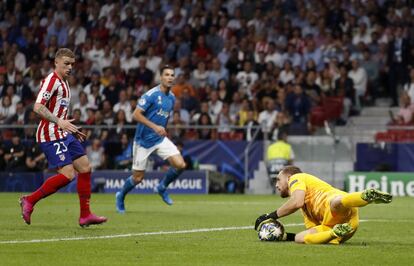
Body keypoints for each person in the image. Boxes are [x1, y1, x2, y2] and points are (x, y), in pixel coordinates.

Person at [19, 48, 107, 227]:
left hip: (63, 133)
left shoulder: (65, 83)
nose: (70, 67)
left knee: (85, 167)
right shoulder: (51, 81)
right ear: (56, 63)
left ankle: (85, 215)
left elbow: (58, 112)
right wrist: (60, 121)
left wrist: (69, 127)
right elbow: (37, 107)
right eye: (66, 64)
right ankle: (29, 200)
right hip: (50, 134)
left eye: (72, 64)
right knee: (68, 175)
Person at [254, 166, 392, 244]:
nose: (276, 184)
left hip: (339, 203)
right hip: (347, 225)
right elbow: (315, 229)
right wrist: (285, 236)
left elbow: (296, 202)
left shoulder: (297, 178)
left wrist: (269, 216)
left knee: (335, 202)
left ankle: (366, 196)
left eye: (278, 179)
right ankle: (335, 233)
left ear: (289, 178)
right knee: (300, 238)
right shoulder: (306, 210)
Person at [115, 65, 186, 213]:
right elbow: (136, 114)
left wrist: (160, 129)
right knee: (138, 178)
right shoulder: (151, 95)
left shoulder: (172, 98)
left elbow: (163, 119)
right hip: (142, 141)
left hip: (159, 139)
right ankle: (120, 196)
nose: (170, 77)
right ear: (161, 77)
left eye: (172, 75)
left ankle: (162, 187)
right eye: (167, 75)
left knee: (180, 164)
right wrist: (155, 127)